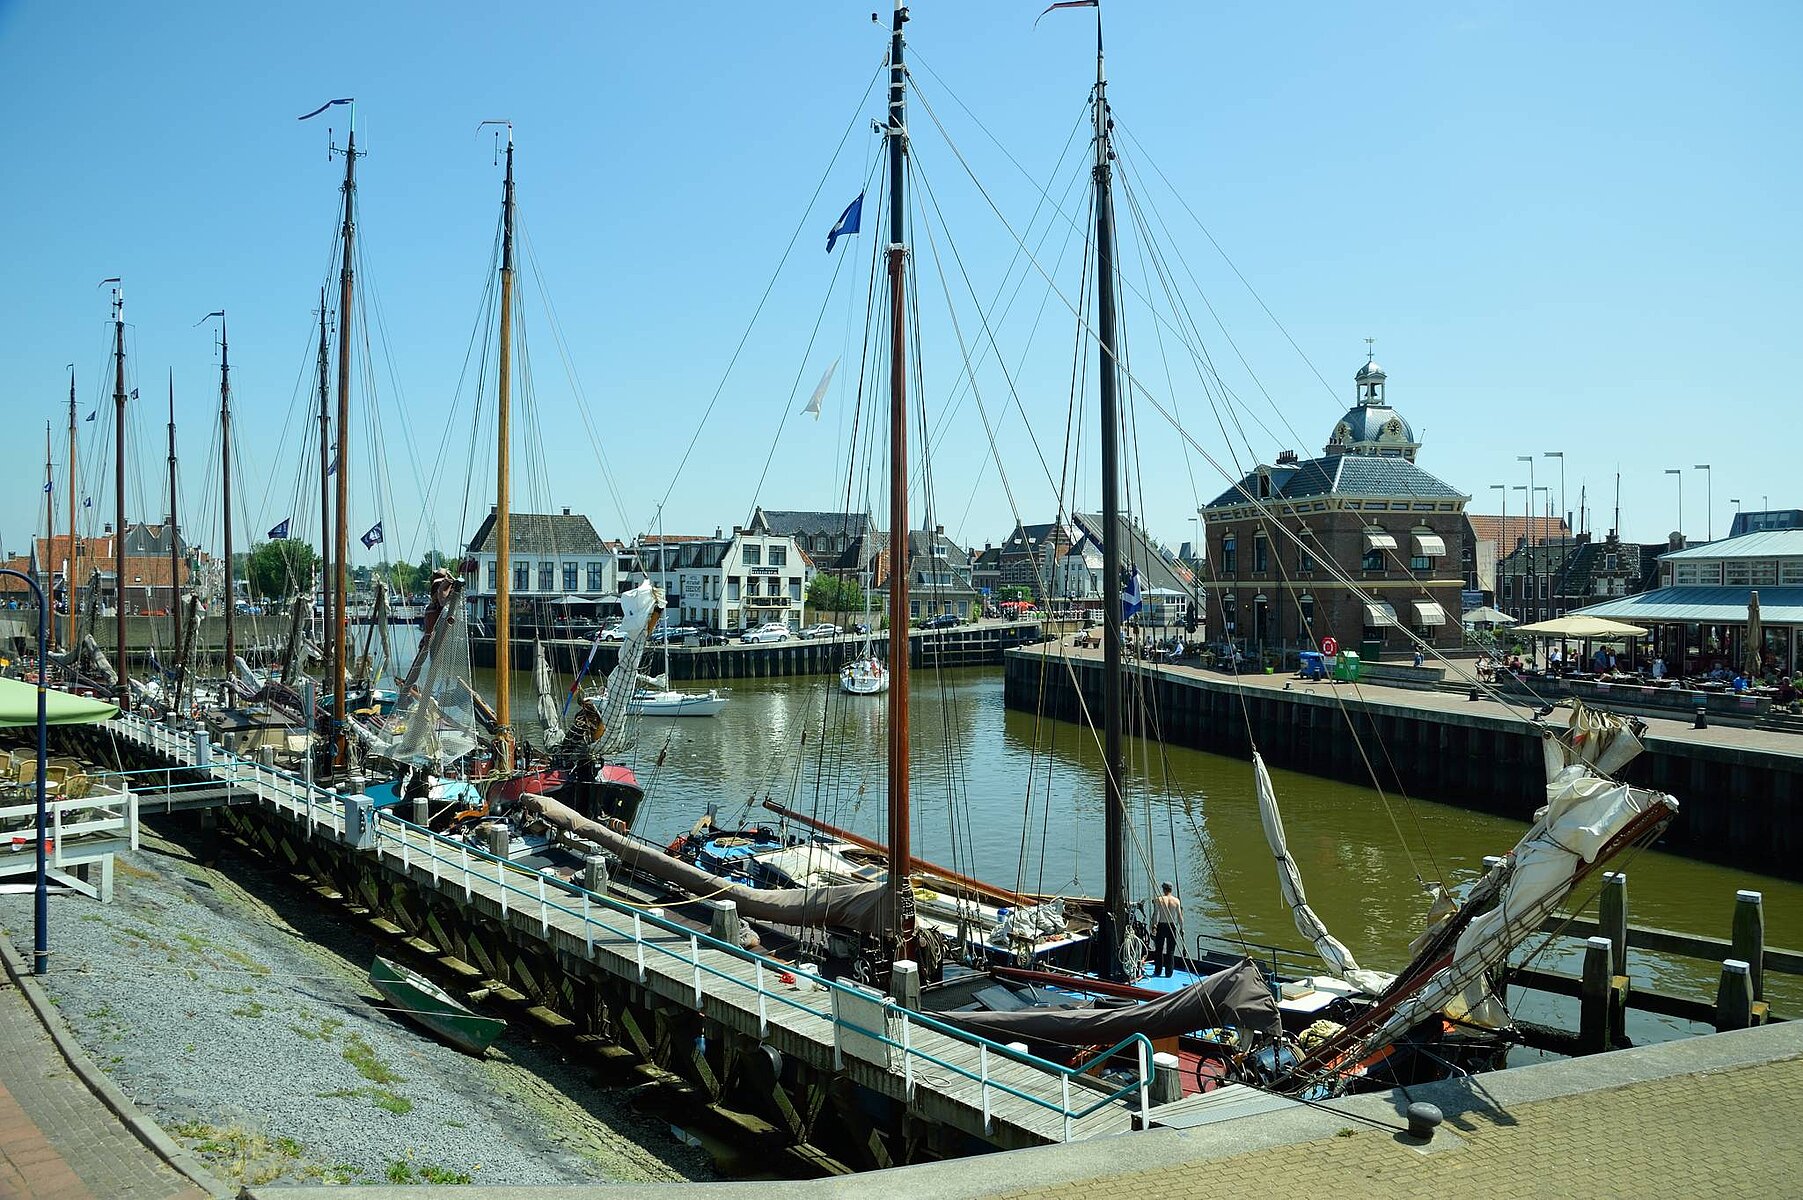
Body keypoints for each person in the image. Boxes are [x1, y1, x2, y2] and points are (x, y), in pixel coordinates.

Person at [1150, 882, 1182, 978]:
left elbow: (1155, 914)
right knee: (1170, 950)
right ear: (1171, 890)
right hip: (1171, 926)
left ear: (1163, 889)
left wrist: (1153, 925)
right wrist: (1182, 928)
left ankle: (1158, 971)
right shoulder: (1176, 901)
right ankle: (1169, 973)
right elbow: (1180, 916)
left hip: (1162, 925)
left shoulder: (1159, 899)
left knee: (1159, 949)